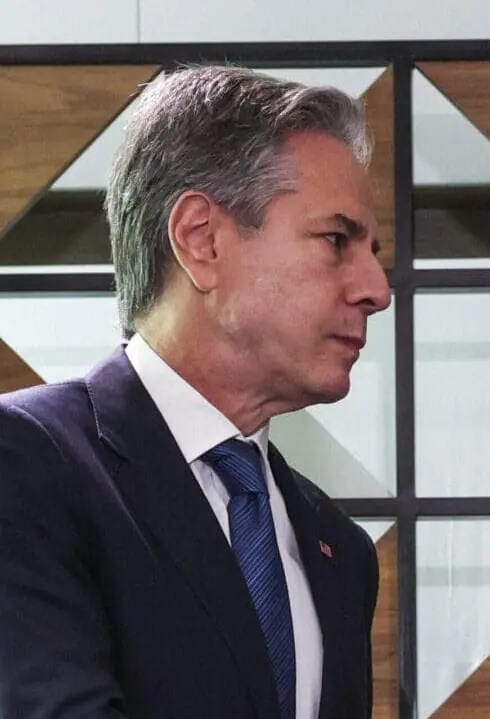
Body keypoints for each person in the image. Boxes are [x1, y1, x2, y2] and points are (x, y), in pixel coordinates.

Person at [0, 64, 391, 718]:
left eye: (372, 250)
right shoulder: (27, 463)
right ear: (201, 240)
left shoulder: (340, 549)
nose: (377, 288)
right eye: (336, 240)